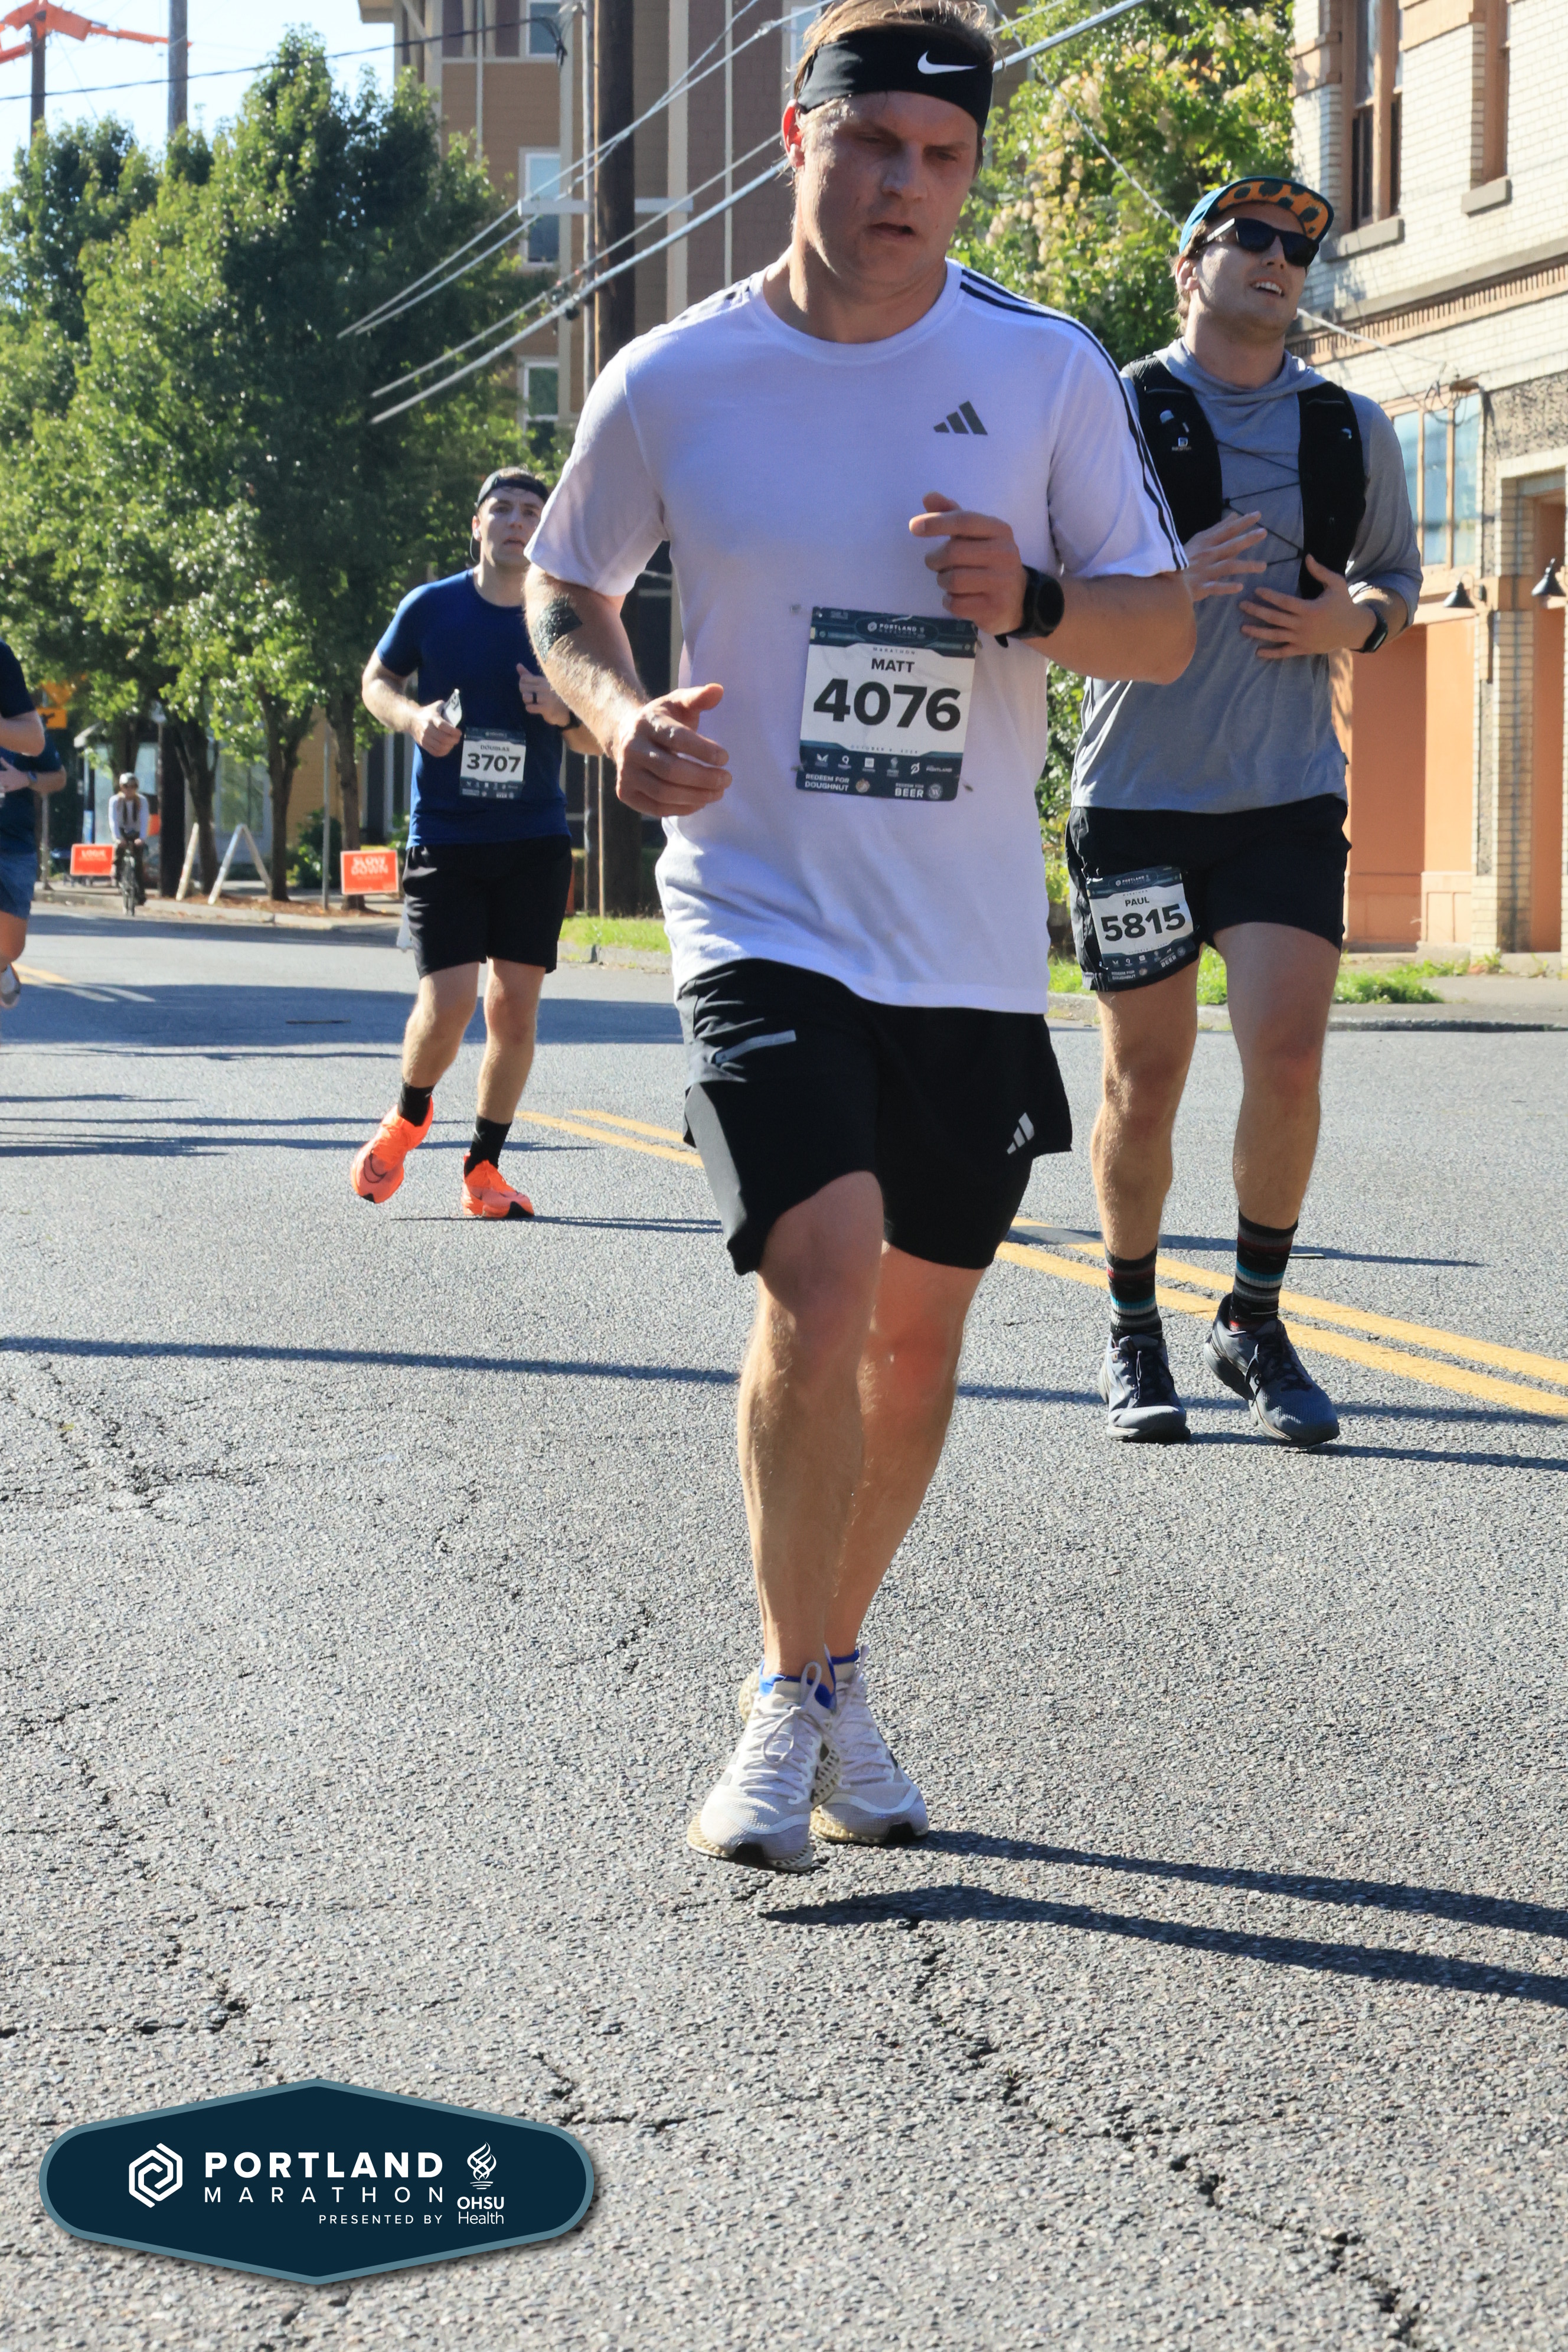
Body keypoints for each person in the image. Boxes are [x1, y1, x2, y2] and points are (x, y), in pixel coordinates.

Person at [525, 0, 1193, 1871]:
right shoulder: (673, 376)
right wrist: (617, 718)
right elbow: (568, 588)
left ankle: (833, 1668)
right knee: (818, 1282)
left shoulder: (1043, 369)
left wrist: (1035, 597)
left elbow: (1156, 627)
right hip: (756, 903)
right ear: (794, 142)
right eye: (873, 142)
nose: (906, 182)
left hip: (962, 940)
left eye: (943, 155)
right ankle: (777, 1697)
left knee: (915, 1333)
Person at [1069, 177, 1421, 1448]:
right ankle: (1131, 1326)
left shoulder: (1348, 426)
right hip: (1135, 799)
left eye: (1298, 249)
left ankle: (1252, 1321)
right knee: (1145, 1074)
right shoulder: (1111, 408)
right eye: (1251, 239)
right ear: (1190, 265)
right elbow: (1046, 580)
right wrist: (1159, 578)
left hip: (1285, 793)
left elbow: (1395, 578)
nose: (1279, 261)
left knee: (1286, 1056)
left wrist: (1351, 624)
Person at [352, 468, 600, 1219]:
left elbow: (599, 736)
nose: (517, 520)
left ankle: (484, 1170)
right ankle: (408, 1117)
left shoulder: (563, 619)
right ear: (478, 524)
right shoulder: (432, 606)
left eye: (531, 511)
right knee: (450, 1001)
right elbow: (375, 682)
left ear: (544, 530)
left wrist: (562, 712)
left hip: (533, 838)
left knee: (514, 1012)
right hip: (447, 836)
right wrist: (413, 718)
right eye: (502, 508)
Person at [0, 637, 61, 1010]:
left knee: (10, 945)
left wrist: (26, 779)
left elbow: (57, 774)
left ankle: (2, 965)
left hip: (13, 842)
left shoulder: (22, 733)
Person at [108, 771, 148, 904]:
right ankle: (117, 872)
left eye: (133, 786)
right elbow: (113, 821)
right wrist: (118, 838)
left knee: (138, 861)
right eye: (126, 786)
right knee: (119, 850)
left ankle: (140, 893)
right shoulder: (115, 801)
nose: (129, 790)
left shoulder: (142, 801)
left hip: (135, 831)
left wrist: (142, 838)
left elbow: (144, 820)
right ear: (121, 787)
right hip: (121, 830)